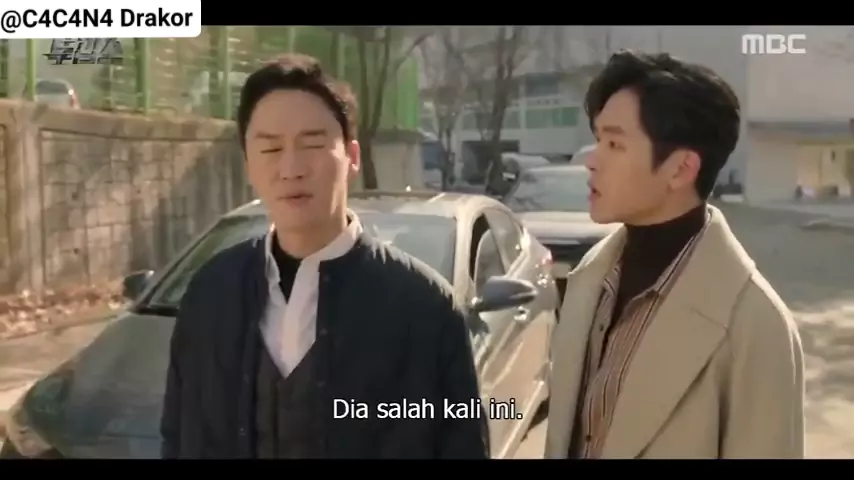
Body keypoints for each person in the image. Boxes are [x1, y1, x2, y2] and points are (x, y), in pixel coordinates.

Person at [160, 54, 489, 459]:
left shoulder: (426, 309)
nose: (291, 168)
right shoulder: (210, 294)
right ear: (248, 165)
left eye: (313, 144)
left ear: (352, 157)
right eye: (270, 148)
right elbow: (177, 436)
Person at [545, 51, 805, 459]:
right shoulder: (590, 282)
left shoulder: (755, 326)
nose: (592, 161)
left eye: (614, 144)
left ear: (681, 169)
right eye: (597, 140)